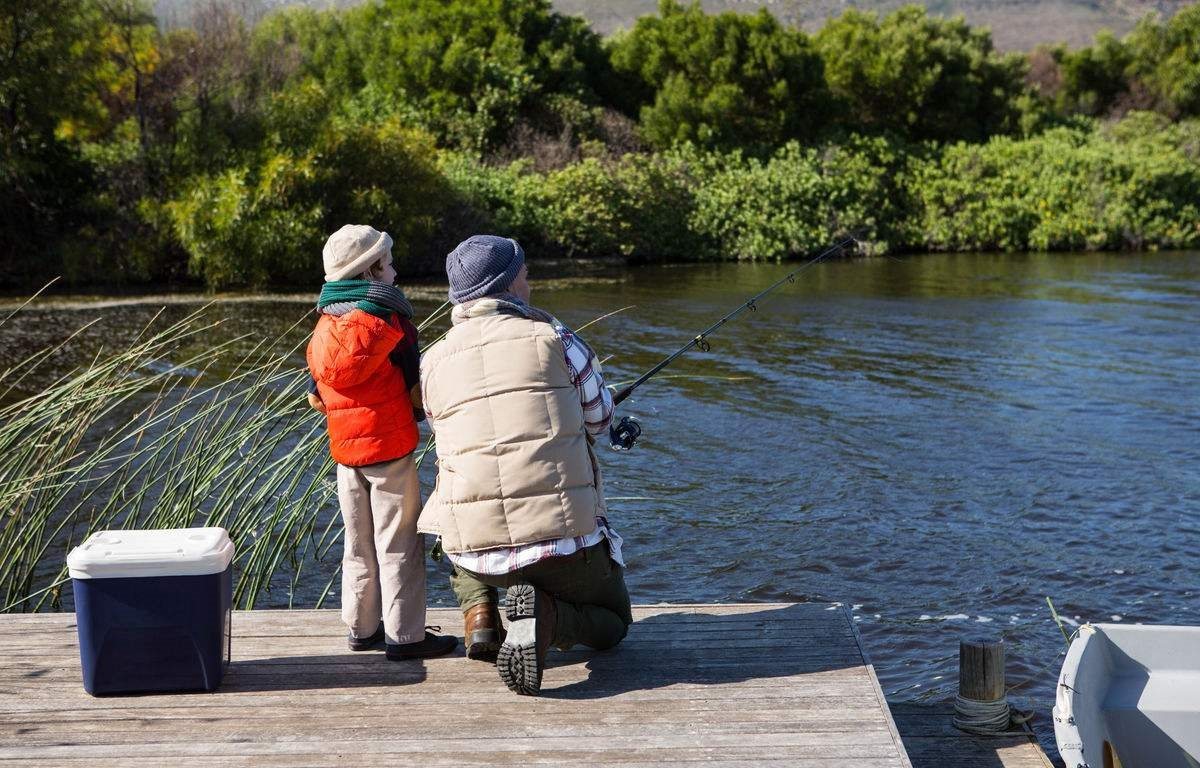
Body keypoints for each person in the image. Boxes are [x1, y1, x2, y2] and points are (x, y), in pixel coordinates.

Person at [418, 234, 633, 695]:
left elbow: (442, 430)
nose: (530, 284)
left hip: (477, 552)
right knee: (614, 623)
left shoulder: (431, 362)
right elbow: (600, 419)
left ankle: (480, 617)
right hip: (564, 545)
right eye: (526, 275)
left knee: (458, 529)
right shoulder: (555, 337)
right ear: (510, 284)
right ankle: (547, 618)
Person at [306, 224, 456, 661]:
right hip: (389, 452)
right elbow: (416, 390)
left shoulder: (323, 327)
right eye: (388, 264)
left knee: (358, 544)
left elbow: (316, 397)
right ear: (370, 272)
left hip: (345, 455)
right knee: (398, 545)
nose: (394, 271)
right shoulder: (391, 322)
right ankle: (406, 637)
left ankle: (361, 628)